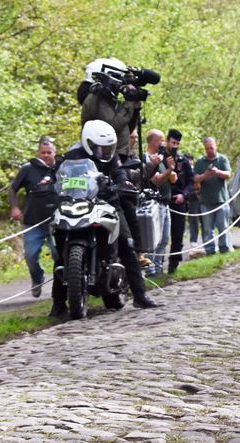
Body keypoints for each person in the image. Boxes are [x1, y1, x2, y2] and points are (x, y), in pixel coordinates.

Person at [50, 120, 159, 315]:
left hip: (108, 203)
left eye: (109, 147)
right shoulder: (72, 156)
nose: (106, 152)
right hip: (77, 203)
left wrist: (123, 183)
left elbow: (119, 173)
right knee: (61, 248)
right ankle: (58, 303)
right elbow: (60, 175)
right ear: (88, 143)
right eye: (101, 148)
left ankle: (140, 295)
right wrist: (55, 182)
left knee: (127, 244)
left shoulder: (113, 158)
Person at [9, 136, 59, 297]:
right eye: (43, 152)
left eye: (49, 152)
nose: (46, 155)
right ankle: (37, 278)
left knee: (58, 254)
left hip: (57, 221)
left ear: (55, 152)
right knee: (30, 255)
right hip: (33, 221)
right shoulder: (28, 168)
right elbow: (13, 189)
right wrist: (15, 207)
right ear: (38, 152)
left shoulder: (62, 167)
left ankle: (63, 287)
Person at [193, 137, 233, 255]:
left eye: (212, 148)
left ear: (216, 147)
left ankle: (224, 248)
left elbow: (228, 174)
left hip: (221, 200)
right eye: (207, 148)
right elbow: (194, 178)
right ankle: (210, 250)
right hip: (206, 200)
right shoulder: (200, 162)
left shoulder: (222, 159)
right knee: (207, 228)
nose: (210, 150)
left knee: (223, 226)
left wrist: (217, 172)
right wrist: (204, 176)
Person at [143, 129, 174, 276]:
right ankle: (150, 270)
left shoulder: (161, 158)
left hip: (164, 202)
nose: (163, 143)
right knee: (154, 239)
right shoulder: (147, 158)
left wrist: (169, 169)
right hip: (153, 203)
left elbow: (172, 179)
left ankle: (158, 267)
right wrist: (169, 171)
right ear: (155, 141)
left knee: (164, 238)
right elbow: (157, 180)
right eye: (161, 140)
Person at [166, 129, 195, 274]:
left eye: (177, 143)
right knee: (162, 236)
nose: (175, 146)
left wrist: (184, 195)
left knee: (177, 234)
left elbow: (191, 182)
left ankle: (173, 264)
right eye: (173, 142)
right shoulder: (161, 158)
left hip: (179, 200)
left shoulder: (183, 161)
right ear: (167, 142)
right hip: (164, 200)